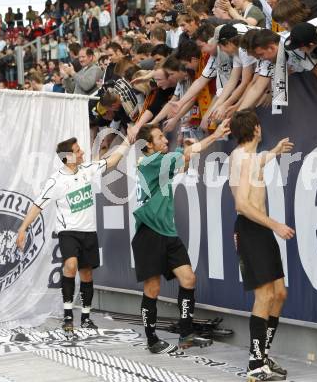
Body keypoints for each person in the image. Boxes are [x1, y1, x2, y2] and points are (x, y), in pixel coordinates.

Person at [133, 121, 230, 353]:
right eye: (160, 138)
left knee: (188, 279)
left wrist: (187, 152)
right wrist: (214, 135)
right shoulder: (149, 161)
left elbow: (184, 163)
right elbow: (186, 155)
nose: (165, 140)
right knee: (152, 289)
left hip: (168, 231)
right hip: (149, 232)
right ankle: (151, 339)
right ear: (147, 145)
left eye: (164, 137)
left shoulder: (158, 162)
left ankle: (186, 334)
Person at [16, 137, 130, 333]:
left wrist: (128, 141)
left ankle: (85, 317)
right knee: (70, 265)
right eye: (78, 151)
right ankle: (68, 316)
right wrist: (22, 228)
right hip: (68, 232)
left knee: (86, 273)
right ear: (68, 157)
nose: (82, 153)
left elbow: (111, 161)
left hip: (89, 232)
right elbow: (37, 205)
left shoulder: (87, 170)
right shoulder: (56, 181)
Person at [229, 109, 294, 381]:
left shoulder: (248, 157)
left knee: (279, 294)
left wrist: (275, 152)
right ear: (256, 129)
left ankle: (262, 356)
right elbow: (241, 204)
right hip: (253, 229)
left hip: (259, 230)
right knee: (264, 296)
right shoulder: (244, 159)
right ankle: (256, 365)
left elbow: (258, 162)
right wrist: (275, 225)